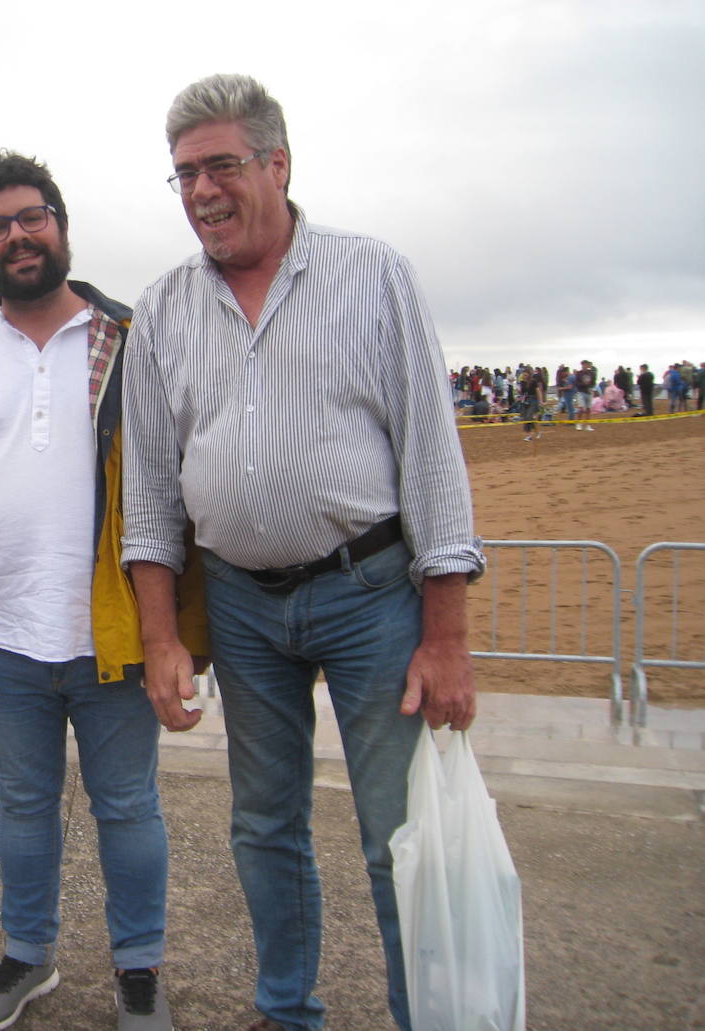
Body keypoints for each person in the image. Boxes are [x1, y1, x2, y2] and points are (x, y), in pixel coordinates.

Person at [121, 74, 484, 1031]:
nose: (202, 190)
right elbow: (150, 497)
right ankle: (285, 1012)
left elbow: (434, 464)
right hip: (241, 604)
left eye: (222, 166)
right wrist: (162, 638)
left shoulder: (374, 276)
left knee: (396, 836)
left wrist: (445, 637)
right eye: (185, 174)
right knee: (265, 827)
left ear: (278, 165)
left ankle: (430, 1018)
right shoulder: (161, 312)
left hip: (373, 595)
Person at [0, 149, 204, 1031]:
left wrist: (180, 633)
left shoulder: (132, 340)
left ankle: (138, 967)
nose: (18, 236)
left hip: (116, 638)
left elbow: (183, 490)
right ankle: (28, 955)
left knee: (130, 805)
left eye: (32, 217)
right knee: (22, 807)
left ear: (60, 223)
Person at [573, 359, 597, 430]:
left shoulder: (592, 373)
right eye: (585, 364)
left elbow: (594, 382)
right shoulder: (579, 373)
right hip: (581, 392)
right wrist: (584, 384)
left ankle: (588, 425)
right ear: (582, 365)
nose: (586, 366)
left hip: (589, 392)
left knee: (588, 409)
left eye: (587, 364)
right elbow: (577, 384)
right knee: (581, 408)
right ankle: (579, 423)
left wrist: (591, 387)